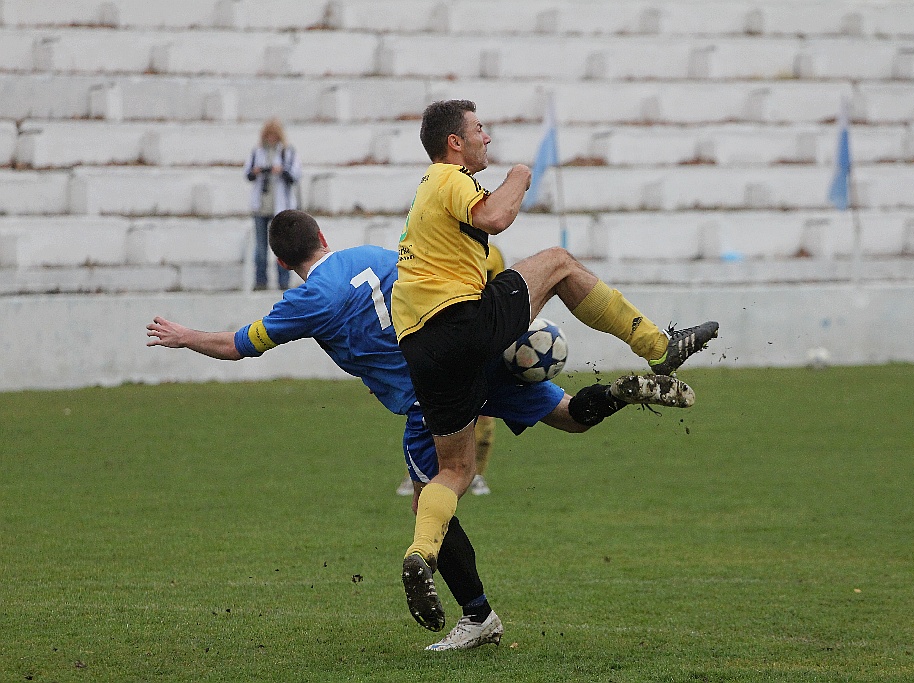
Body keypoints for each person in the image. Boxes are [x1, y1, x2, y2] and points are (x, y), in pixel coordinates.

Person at [146, 209, 695, 650]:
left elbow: (236, 346)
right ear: (323, 235)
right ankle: (624, 391)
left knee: (431, 497)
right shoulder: (374, 256)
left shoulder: (304, 302)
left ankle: (476, 615)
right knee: (570, 417)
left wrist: (182, 335)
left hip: (429, 395)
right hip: (473, 354)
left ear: (284, 260)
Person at [392, 99, 718, 631]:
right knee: (560, 263)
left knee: (455, 471)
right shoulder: (447, 178)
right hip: (462, 325)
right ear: (455, 142)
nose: (486, 139)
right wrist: (522, 175)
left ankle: (420, 552)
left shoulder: (427, 206)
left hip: (425, 352)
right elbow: (495, 217)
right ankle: (660, 347)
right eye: (479, 130)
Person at [397, 244, 507, 498]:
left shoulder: (493, 254)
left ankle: (477, 474)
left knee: (484, 417)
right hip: (442, 339)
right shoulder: (439, 247)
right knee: (429, 413)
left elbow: (497, 294)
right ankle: (415, 475)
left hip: (480, 340)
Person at [244, 118, 301, 291]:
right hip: (261, 206)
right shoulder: (257, 152)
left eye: (273, 136)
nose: (270, 139)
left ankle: (283, 282)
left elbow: (296, 175)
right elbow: (247, 174)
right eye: (268, 136)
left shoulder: (287, 152)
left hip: (280, 208)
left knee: (282, 247)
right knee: (260, 248)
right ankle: (260, 281)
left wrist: (281, 170)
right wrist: (257, 171)